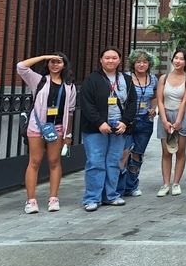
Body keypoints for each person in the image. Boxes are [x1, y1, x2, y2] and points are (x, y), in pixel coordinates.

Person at [17, 53, 76, 213]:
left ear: (65, 65)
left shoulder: (69, 85)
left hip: (56, 127)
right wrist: (43, 56)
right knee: (34, 162)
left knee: (54, 161)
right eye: (52, 62)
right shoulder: (39, 80)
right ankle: (31, 200)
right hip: (37, 126)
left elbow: (70, 111)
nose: (55, 65)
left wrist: (68, 134)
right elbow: (21, 66)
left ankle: (53, 198)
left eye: (59, 62)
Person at [80, 47, 137, 212]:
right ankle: (92, 198)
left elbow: (132, 102)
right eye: (107, 58)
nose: (110, 61)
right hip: (95, 128)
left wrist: (125, 121)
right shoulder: (92, 79)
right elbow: (87, 104)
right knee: (95, 162)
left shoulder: (126, 79)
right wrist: (99, 122)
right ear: (101, 60)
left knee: (113, 162)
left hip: (118, 126)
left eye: (114, 58)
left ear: (119, 60)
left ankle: (110, 195)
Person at [118, 50, 158, 198]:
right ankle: (119, 186)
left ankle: (132, 185)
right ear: (133, 63)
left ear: (149, 64)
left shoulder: (153, 79)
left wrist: (153, 108)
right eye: (138, 62)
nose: (141, 65)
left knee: (137, 155)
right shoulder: (125, 77)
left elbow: (154, 96)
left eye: (145, 62)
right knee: (123, 153)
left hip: (145, 121)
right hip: (128, 121)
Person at [156, 48, 186, 197]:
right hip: (165, 115)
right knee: (166, 151)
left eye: (181, 59)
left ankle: (176, 183)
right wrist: (164, 120)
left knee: (180, 151)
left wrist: (178, 121)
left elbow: (184, 101)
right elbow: (160, 100)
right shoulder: (163, 78)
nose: (178, 61)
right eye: (176, 58)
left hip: (181, 115)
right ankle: (166, 183)